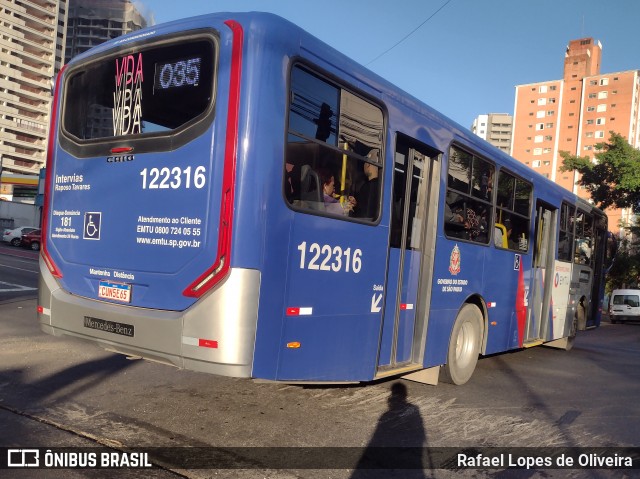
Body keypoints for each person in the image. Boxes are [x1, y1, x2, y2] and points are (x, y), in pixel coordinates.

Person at [354, 151, 380, 218]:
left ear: (368, 164)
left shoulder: (369, 186)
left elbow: (367, 214)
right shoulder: (382, 186)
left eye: (364, 162)